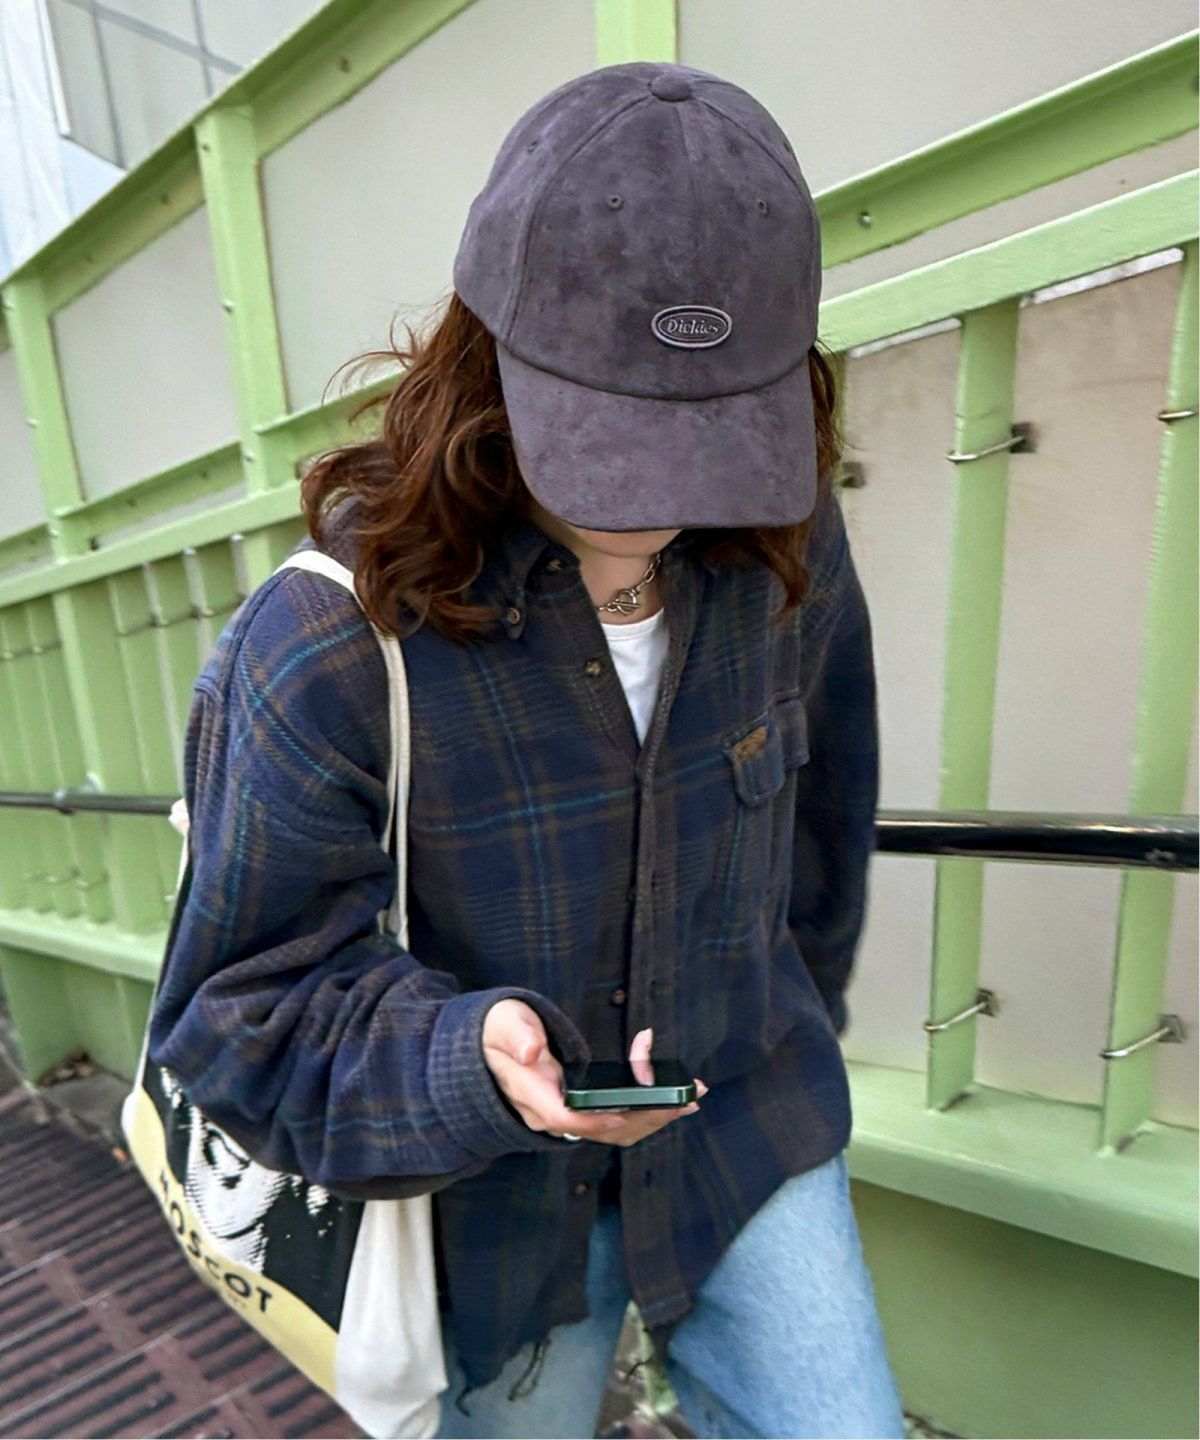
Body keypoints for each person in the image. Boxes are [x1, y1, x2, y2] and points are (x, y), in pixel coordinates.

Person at [147, 59, 906, 1439]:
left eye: (712, 434)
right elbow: (233, 1015)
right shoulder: (326, 642)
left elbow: (825, 832)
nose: (663, 498)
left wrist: (789, 1020)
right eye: (615, 431)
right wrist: (463, 1058)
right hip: (490, 1212)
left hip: (750, 1121)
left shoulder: (784, 551)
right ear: (486, 345)